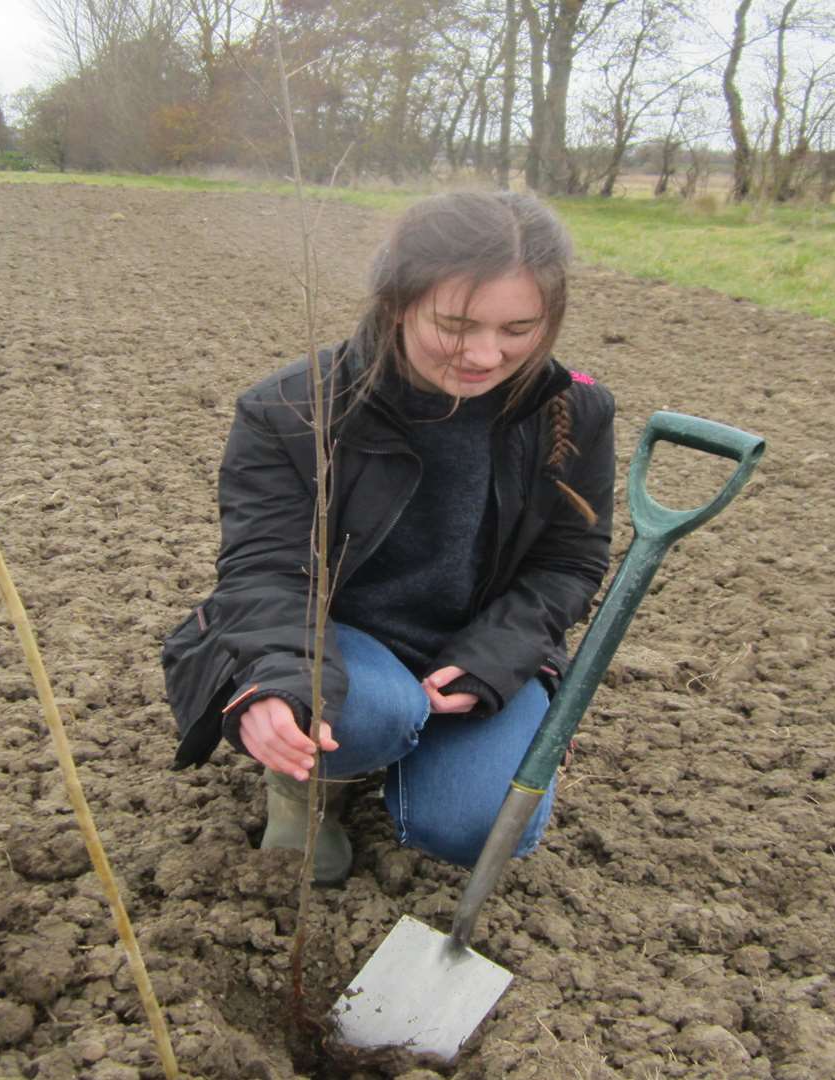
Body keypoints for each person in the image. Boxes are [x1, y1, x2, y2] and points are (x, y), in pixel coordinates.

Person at [162, 191, 615, 884]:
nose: (485, 354)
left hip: (471, 642)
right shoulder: (291, 409)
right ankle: (312, 785)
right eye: (455, 325)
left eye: (519, 329)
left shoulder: (575, 410)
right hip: (341, 641)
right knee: (373, 715)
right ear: (399, 300)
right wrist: (272, 683)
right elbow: (264, 569)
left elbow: (568, 561)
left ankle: (425, 757)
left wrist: (495, 660)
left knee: (477, 827)